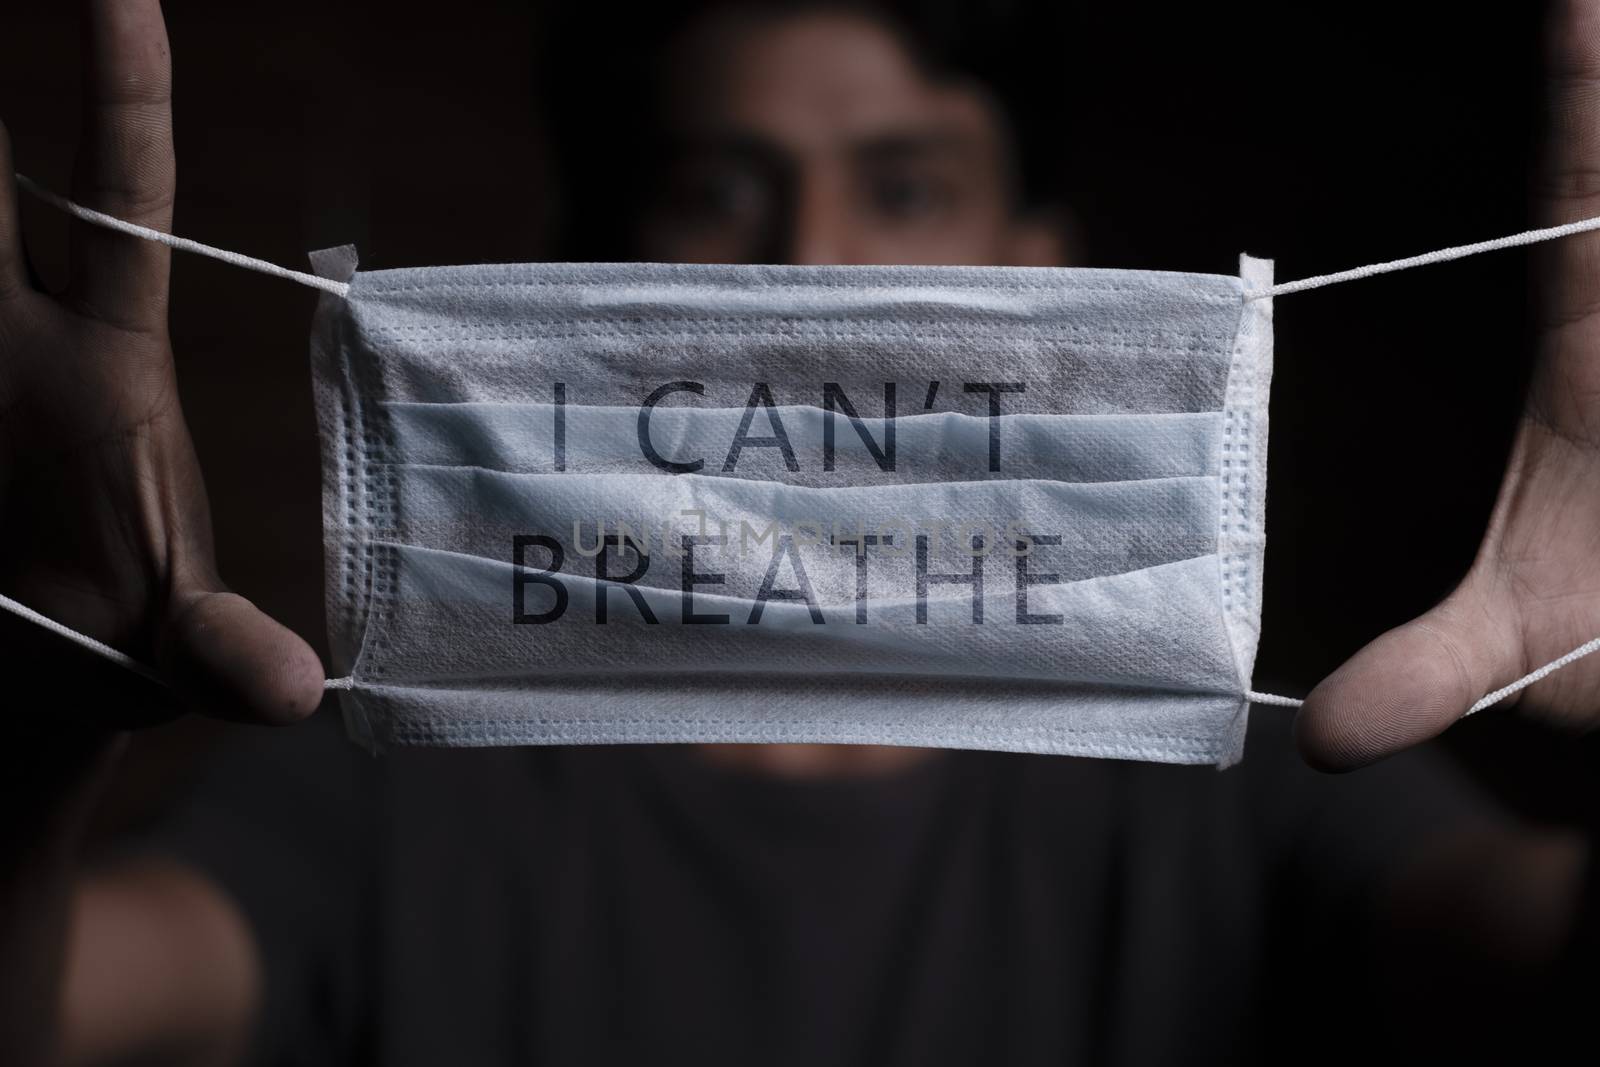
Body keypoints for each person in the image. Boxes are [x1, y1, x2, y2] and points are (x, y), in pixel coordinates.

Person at [0, 1, 1595, 1064]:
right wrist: (22, 715)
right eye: (716, 192)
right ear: (598, 278)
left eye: (903, 191)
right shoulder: (384, 771)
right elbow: (55, 1008)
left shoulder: (1241, 799)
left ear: (1042, 261)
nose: (807, 263)